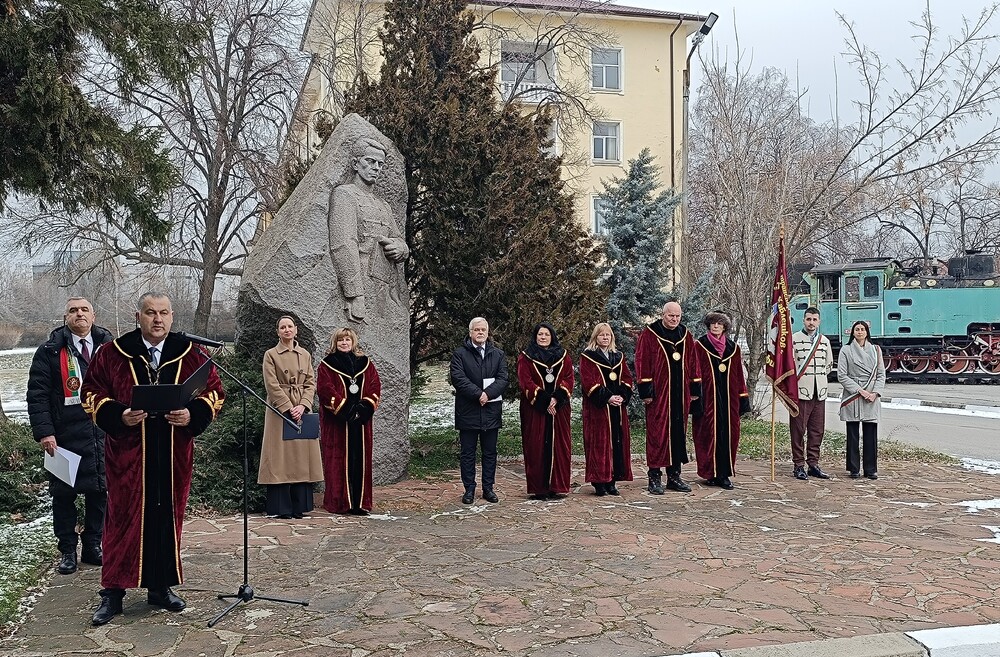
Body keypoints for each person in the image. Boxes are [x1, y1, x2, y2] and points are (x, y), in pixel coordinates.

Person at [81, 292, 225, 626]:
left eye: (163, 313)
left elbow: (214, 391)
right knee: (121, 521)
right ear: (138, 316)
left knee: (167, 518)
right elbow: (91, 393)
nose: (157, 319)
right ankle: (113, 593)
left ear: (172, 316)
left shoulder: (191, 353)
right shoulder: (113, 354)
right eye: (150, 313)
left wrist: (193, 414)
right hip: (129, 456)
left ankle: (160, 588)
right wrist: (118, 414)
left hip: (173, 454)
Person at [27, 297, 113, 576]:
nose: (79, 314)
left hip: (101, 434)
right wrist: (45, 433)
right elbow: (37, 396)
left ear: (93, 315)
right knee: (64, 496)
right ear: (66, 318)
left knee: (100, 492)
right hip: (63, 437)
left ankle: (93, 546)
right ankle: (67, 550)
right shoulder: (51, 352)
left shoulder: (109, 348)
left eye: (84, 310)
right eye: (73, 311)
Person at [329, 136, 409, 324]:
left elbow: (398, 238)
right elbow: (343, 245)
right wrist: (355, 294)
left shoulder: (384, 205)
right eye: (370, 161)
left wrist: (401, 249)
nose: (376, 167)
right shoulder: (344, 194)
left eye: (380, 164)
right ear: (356, 164)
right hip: (362, 282)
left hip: (386, 285)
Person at [257, 316, 322, 519]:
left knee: (301, 458)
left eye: (290, 326)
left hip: (301, 409)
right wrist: (287, 407)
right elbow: (271, 384)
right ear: (278, 332)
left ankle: (299, 506)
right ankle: (282, 508)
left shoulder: (305, 354)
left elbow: (311, 382)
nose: (286, 330)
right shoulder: (271, 354)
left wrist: (303, 405)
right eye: (282, 327)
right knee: (280, 458)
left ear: (296, 330)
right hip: (279, 411)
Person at [634, 301, 702, 494]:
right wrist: (646, 391)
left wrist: (695, 388)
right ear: (663, 314)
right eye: (671, 315)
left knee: (678, 435)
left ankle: (674, 476)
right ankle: (654, 477)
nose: (674, 319)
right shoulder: (649, 335)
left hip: (680, 396)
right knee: (658, 436)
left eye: (677, 316)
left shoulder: (685, 335)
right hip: (659, 396)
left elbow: (693, 361)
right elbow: (642, 361)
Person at [317, 327, 381, 515]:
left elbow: (374, 386)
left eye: (347, 340)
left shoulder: (365, 363)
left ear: (353, 342)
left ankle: (360, 503)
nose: (344, 343)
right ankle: (340, 503)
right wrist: (347, 410)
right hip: (338, 423)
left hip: (361, 422)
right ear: (335, 343)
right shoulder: (327, 365)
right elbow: (325, 390)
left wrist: (363, 408)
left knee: (360, 460)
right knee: (338, 461)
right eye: (340, 340)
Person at [450, 317, 508, 505]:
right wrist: (478, 394)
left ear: (488, 332)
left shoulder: (497, 354)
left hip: (490, 411)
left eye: (483, 329)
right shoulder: (460, 354)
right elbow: (458, 378)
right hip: (468, 410)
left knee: (489, 452)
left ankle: (488, 488)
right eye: (477, 330)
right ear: (470, 333)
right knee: (468, 453)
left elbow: (503, 378)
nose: (480, 332)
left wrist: (488, 394)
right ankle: (469, 489)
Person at [692, 312, 750, 490]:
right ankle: (710, 473)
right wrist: (695, 397)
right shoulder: (699, 345)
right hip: (707, 399)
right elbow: (694, 372)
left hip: (729, 400)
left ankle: (724, 474)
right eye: (712, 323)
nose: (716, 326)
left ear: (725, 326)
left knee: (729, 436)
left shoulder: (733, 348)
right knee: (707, 436)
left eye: (719, 323)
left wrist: (742, 398)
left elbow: (739, 376)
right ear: (708, 326)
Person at [517, 322, 573, 499]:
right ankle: (539, 488)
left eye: (546, 334)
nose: (543, 337)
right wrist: (545, 399)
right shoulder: (526, 357)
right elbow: (525, 381)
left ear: (552, 336)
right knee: (536, 445)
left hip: (559, 409)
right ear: (535, 336)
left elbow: (568, 379)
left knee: (559, 446)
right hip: (535, 409)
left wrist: (556, 398)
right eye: (540, 334)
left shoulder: (563, 356)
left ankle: (556, 486)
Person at [580, 323, 633, 496]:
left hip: (617, 409)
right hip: (598, 409)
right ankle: (599, 482)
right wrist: (608, 397)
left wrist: (621, 396)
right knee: (599, 444)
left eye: (608, 335)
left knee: (617, 442)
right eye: (601, 335)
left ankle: (612, 481)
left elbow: (626, 377)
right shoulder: (588, 357)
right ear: (595, 337)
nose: (605, 338)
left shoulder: (618, 356)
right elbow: (589, 381)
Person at [838, 320, 886, 480]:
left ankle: (871, 469)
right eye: (857, 329)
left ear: (867, 332)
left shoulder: (876, 350)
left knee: (870, 434)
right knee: (852, 433)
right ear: (852, 332)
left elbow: (881, 374)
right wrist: (860, 391)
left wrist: (875, 392)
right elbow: (842, 375)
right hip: (854, 394)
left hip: (872, 395)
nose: (859, 332)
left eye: (862, 329)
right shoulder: (845, 350)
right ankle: (853, 468)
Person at [790, 307, 834, 480]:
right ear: (803, 320)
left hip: (819, 392)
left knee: (817, 430)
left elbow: (829, 364)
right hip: (801, 392)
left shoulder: (824, 341)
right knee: (798, 430)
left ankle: (813, 464)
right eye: (808, 319)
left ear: (819, 321)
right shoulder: (794, 339)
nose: (811, 323)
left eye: (815, 319)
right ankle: (798, 465)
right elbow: (791, 366)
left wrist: (819, 378)